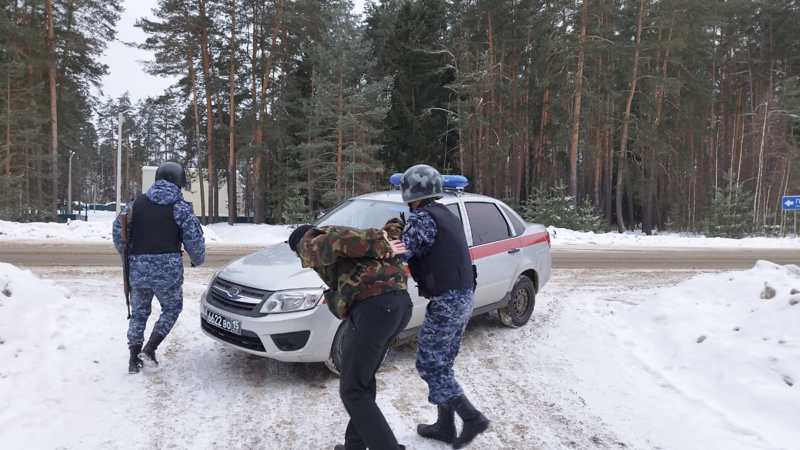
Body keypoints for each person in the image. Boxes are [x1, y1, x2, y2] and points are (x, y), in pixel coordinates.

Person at [287, 221, 410, 450]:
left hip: (376, 309)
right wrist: (333, 299)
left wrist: (383, 243)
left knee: (352, 390)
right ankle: (354, 446)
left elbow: (346, 240)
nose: (302, 259)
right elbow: (347, 295)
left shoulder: (312, 242)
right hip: (397, 306)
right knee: (361, 382)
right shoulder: (344, 256)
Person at [399, 164, 490, 449]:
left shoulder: (422, 218)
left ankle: (471, 417)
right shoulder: (446, 213)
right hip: (462, 296)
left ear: (411, 192)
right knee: (443, 364)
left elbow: (403, 251)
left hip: (447, 299)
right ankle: (445, 426)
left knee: (429, 365)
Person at [112, 162, 206, 374]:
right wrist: (197, 259)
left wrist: (127, 254)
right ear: (178, 181)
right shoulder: (180, 207)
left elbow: (119, 230)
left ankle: (133, 359)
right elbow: (194, 239)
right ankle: (150, 349)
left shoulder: (135, 204)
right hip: (168, 272)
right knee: (172, 309)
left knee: (138, 313)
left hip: (138, 269)